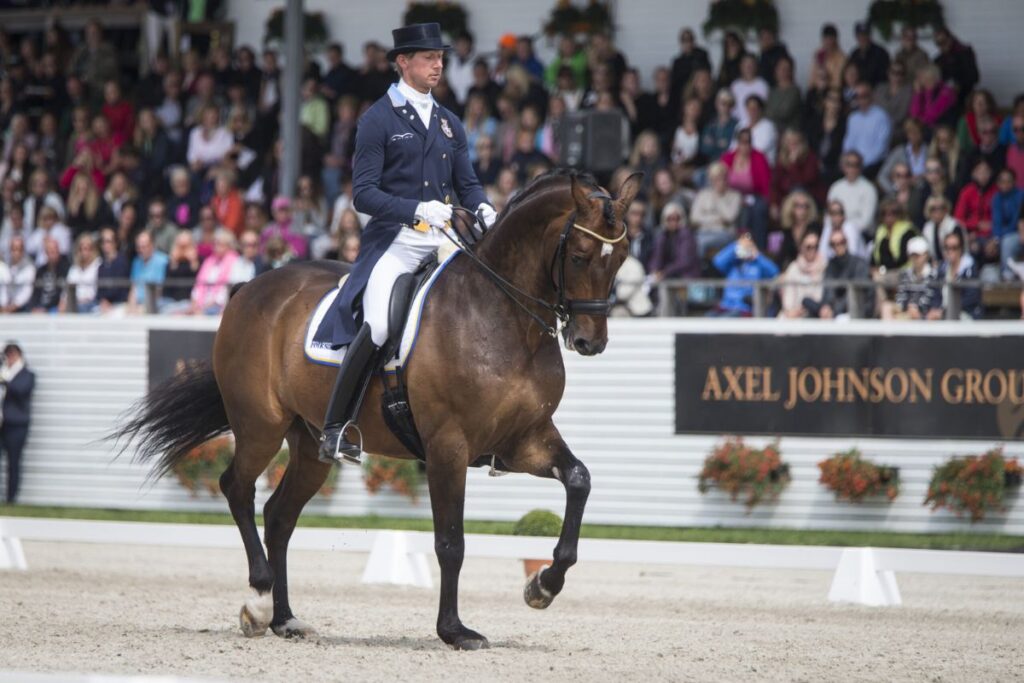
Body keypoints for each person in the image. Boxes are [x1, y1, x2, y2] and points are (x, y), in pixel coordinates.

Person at [320, 23, 494, 465]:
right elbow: (364, 193)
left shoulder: (449, 123)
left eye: (441, 58)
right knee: (378, 326)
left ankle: (495, 428)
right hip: (396, 242)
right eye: (428, 57)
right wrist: (416, 209)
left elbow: (467, 185)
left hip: (444, 241)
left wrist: (487, 209)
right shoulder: (377, 119)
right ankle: (336, 428)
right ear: (403, 62)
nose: (438, 65)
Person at [709, 233, 779, 316]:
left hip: (744, 309)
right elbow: (717, 261)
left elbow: (774, 271)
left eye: (747, 246)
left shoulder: (758, 265)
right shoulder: (732, 263)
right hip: (726, 306)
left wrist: (757, 255)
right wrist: (736, 245)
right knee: (708, 317)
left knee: (725, 319)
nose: (745, 249)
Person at [1, 342, 35, 503]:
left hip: (16, 426)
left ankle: (11, 499)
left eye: (13, 355)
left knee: (13, 463)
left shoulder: (27, 374)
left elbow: (21, 391)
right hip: (2, 424)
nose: (10, 358)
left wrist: (6, 379)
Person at [817, 229, 873, 319]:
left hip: (858, 311)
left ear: (846, 242)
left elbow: (856, 295)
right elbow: (827, 291)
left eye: (841, 242)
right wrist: (826, 306)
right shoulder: (831, 265)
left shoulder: (859, 264)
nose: (838, 246)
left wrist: (834, 311)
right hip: (834, 311)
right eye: (833, 244)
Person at [690, 161, 741, 256]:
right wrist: (716, 219)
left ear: (726, 178)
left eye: (719, 178)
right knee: (688, 241)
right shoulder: (703, 194)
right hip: (702, 232)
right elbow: (694, 218)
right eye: (713, 179)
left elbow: (729, 217)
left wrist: (718, 196)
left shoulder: (735, 196)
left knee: (700, 242)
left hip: (724, 233)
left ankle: (699, 269)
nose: (716, 182)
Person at [883, 236, 941, 320]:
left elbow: (930, 299)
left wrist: (915, 308)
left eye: (918, 255)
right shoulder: (906, 274)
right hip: (907, 312)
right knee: (886, 307)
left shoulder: (933, 275)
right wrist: (905, 307)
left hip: (925, 316)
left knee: (906, 315)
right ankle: (887, 332)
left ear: (926, 255)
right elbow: (901, 296)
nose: (915, 259)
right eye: (912, 255)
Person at [827, 151, 878, 244]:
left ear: (861, 167)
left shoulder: (869, 189)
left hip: (861, 236)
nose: (852, 168)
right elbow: (828, 216)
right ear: (843, 167)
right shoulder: (835, 187)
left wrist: (845, 230)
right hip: (836, 233)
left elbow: (866, 222)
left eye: (856, 165)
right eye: (849, 164)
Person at [843, 82, 891, 176]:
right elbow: (848, 142)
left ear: (871, 96)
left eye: (864, 96)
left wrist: (859, 164)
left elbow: (881, 148)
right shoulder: (853, 118)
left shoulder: (881, 117)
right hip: (853, 162)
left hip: (873, 163)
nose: (860, 100)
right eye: (857, 96)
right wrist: (848, 160)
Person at [778, 231, 826, 319]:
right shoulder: (794, 267)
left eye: (816, 247)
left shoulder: (824, 266)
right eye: (809, 247)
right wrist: (790, 311)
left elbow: (820, 297)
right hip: (792, 311)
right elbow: (789, 292)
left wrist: (802, 310)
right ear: (802, 248)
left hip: (813, 312)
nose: (812, 250)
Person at [936, 229, 981, 320]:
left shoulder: (969, 267)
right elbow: (936, 294)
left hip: (966, 314)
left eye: (954, 247)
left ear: (961, 249)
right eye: (947, 247)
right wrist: (936, 309)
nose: (950, 251)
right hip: (942, 314)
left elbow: (972, 297)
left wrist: (946, 310)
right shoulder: (942, 269)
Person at [991, 168, 1024, 277]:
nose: (1005, 184)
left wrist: (1000, 237)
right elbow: (997, 221)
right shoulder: (996, 198)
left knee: (1007, 242)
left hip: (1018, 233)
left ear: (1014, 182)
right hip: (1004, 234)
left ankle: (1007, 275)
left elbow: (1017, 221)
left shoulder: (1021, 196)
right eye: (1002, 181)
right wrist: (996, 239)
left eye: (1008, 181)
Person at [872, 199, 918, 271]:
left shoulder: (907, 231)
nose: (888, 216)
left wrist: (887, 270)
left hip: (904, 271)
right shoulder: (880, 230)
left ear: (900, 214)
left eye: (893, 213)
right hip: (884, 271)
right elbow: (874, 254)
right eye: (884, 213)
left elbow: (904, 258)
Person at [128, 231, 168, 313]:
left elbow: (159, 290)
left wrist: (143, 308)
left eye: (144, 247)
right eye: (138, 247)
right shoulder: (136, 262)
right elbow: (134, 288)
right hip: (137, 305)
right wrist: (131, 307)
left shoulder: (163, 261)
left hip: (155, 305)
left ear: (152, 245)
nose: (141, 250)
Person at [921, 196, 967, 263]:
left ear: (946, 209)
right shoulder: (927, 228)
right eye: (933, 209)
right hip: (936, 265)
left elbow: (959, 251)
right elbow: (926, 251)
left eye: (940, 208)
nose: (937, 212)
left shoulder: (954, 226)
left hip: (957, 263)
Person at [848, 22, 890, 87]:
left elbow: (885, 78)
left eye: (865, 34)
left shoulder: (881, 53)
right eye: (860, 35)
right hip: (857, 90)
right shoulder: (854, 54)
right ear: (856, 36)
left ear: (870, 35)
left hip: (876, 91)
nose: (863, 38)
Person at [2, 238, 35, 313]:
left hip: (22, 308)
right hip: (5, 308)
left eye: (18, 249)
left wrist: (14, 306)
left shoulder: (29, 268)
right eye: (13, 249)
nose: (16, 252)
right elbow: (3, 288)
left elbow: (27, 292)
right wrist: (4, 306)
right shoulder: (4, 266)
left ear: (23, 251)